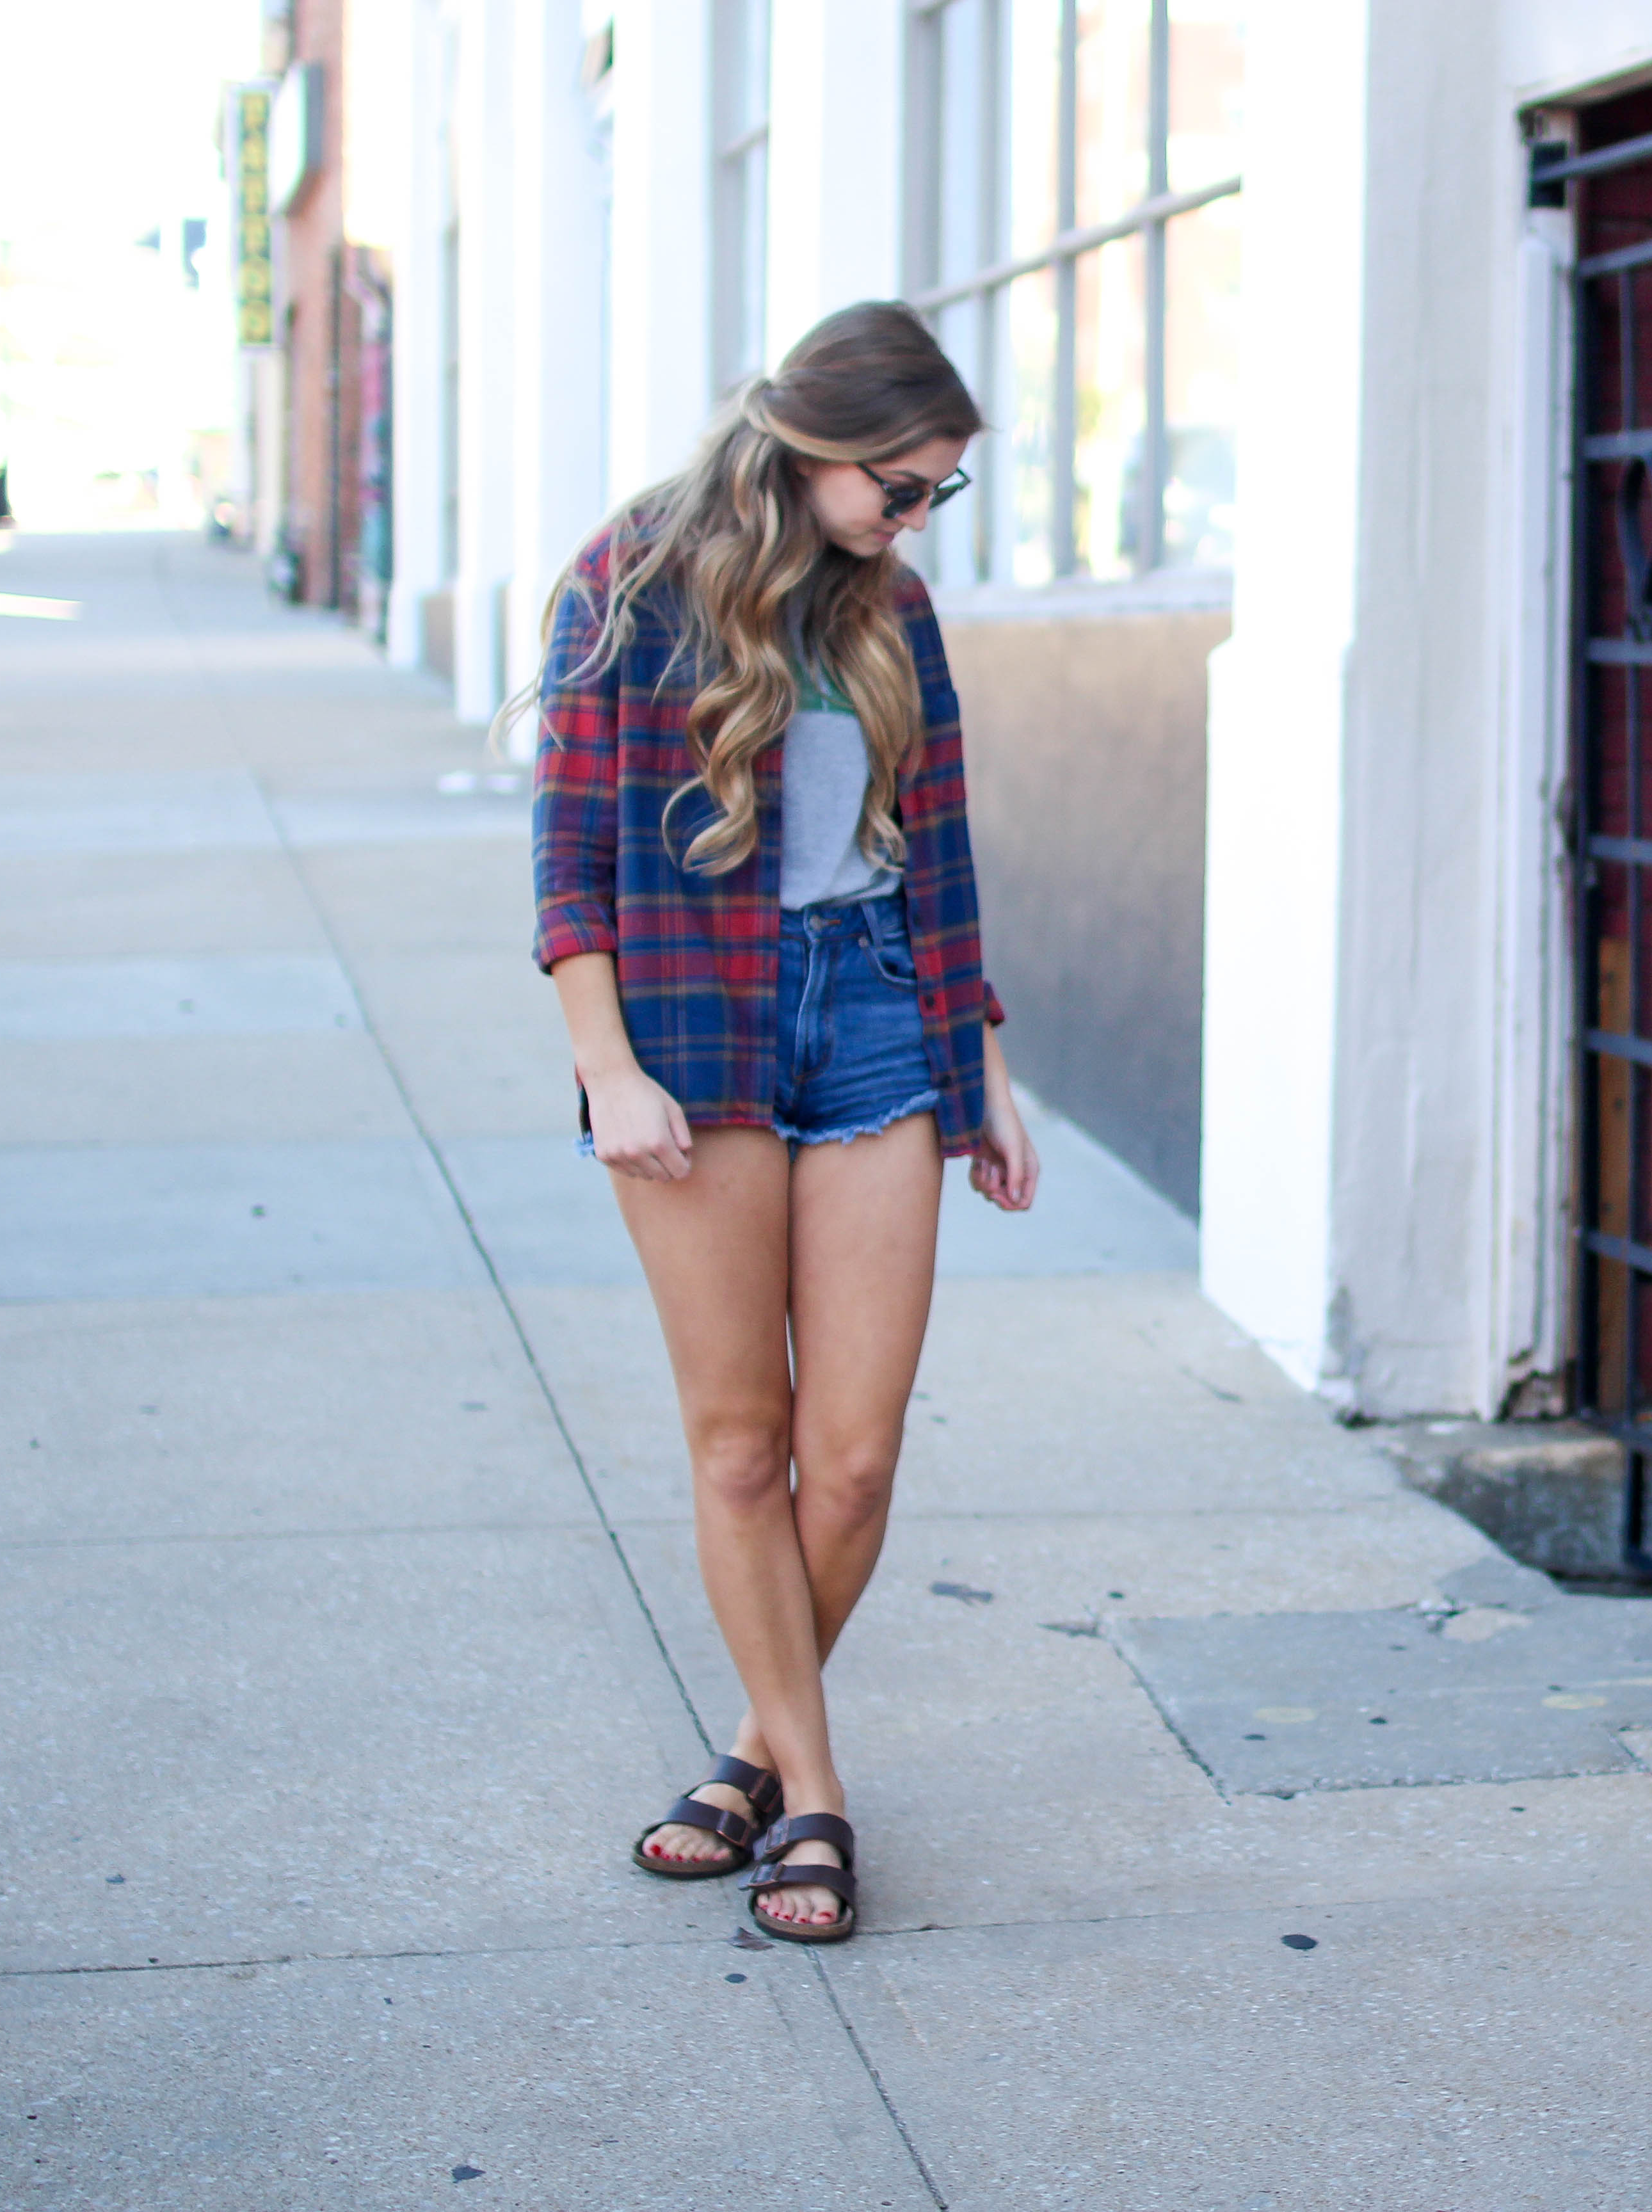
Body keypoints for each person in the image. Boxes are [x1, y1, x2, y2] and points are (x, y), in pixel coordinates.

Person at [518, 301, 1038, 1944]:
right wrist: (606, 1068)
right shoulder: (626, 582)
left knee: (856, 1455)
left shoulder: (895, 610)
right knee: (743, 1442)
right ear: (813, 447)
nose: (915, 518)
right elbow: (566, 857)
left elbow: (937, 857)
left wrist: (987, 1072)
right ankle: (814, 1798)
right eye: (901, 486)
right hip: (693, 1020)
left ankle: (749, 1754)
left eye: (936, 494)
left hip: (877, 1010)